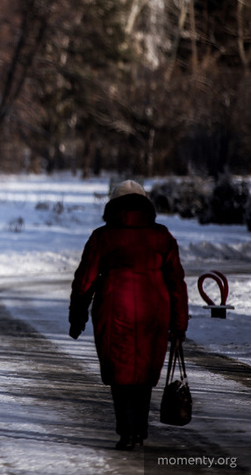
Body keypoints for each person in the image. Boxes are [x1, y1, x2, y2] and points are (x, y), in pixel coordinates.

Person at [69, 180, 188, 451]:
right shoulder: (161, 237)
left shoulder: (103, 236)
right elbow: (176, 282)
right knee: (144, 372)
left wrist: (77, 317)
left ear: (112, 206)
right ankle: (140, 429)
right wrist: (179, 324)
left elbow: (84, 281)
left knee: (120, 372)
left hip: (113, 310)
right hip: (154, 312)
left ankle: (126, 432)